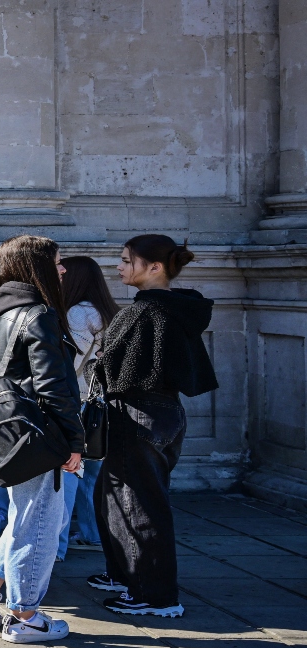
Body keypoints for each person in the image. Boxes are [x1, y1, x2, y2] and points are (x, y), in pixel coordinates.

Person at [0, 235, 84, 644]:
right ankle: (25, 616)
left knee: (27, 515)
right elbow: (54, 388)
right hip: (36, 433)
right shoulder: (39, 313)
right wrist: (74, 442)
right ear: (37, 268)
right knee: (41, 522)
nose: (63, 270)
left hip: (5, 431)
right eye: (57, 263)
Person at [88, 235, 217, 618]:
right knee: (114, 495)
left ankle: (155, 595)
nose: (119, 266)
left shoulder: (147, 310)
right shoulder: (173, 308)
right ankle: (124, 574)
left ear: (155, 267)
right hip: (164, 412)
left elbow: (115, 368)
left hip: (139, 413)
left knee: (141, 504)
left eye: (127, 260)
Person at [56, 256, 120, 560]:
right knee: (93, 474)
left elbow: (70, 363)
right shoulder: (109, 311)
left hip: (79, 403)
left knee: (66, 474)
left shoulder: (78, 314)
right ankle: (92, 533)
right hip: (102, 405)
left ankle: (55, 547)